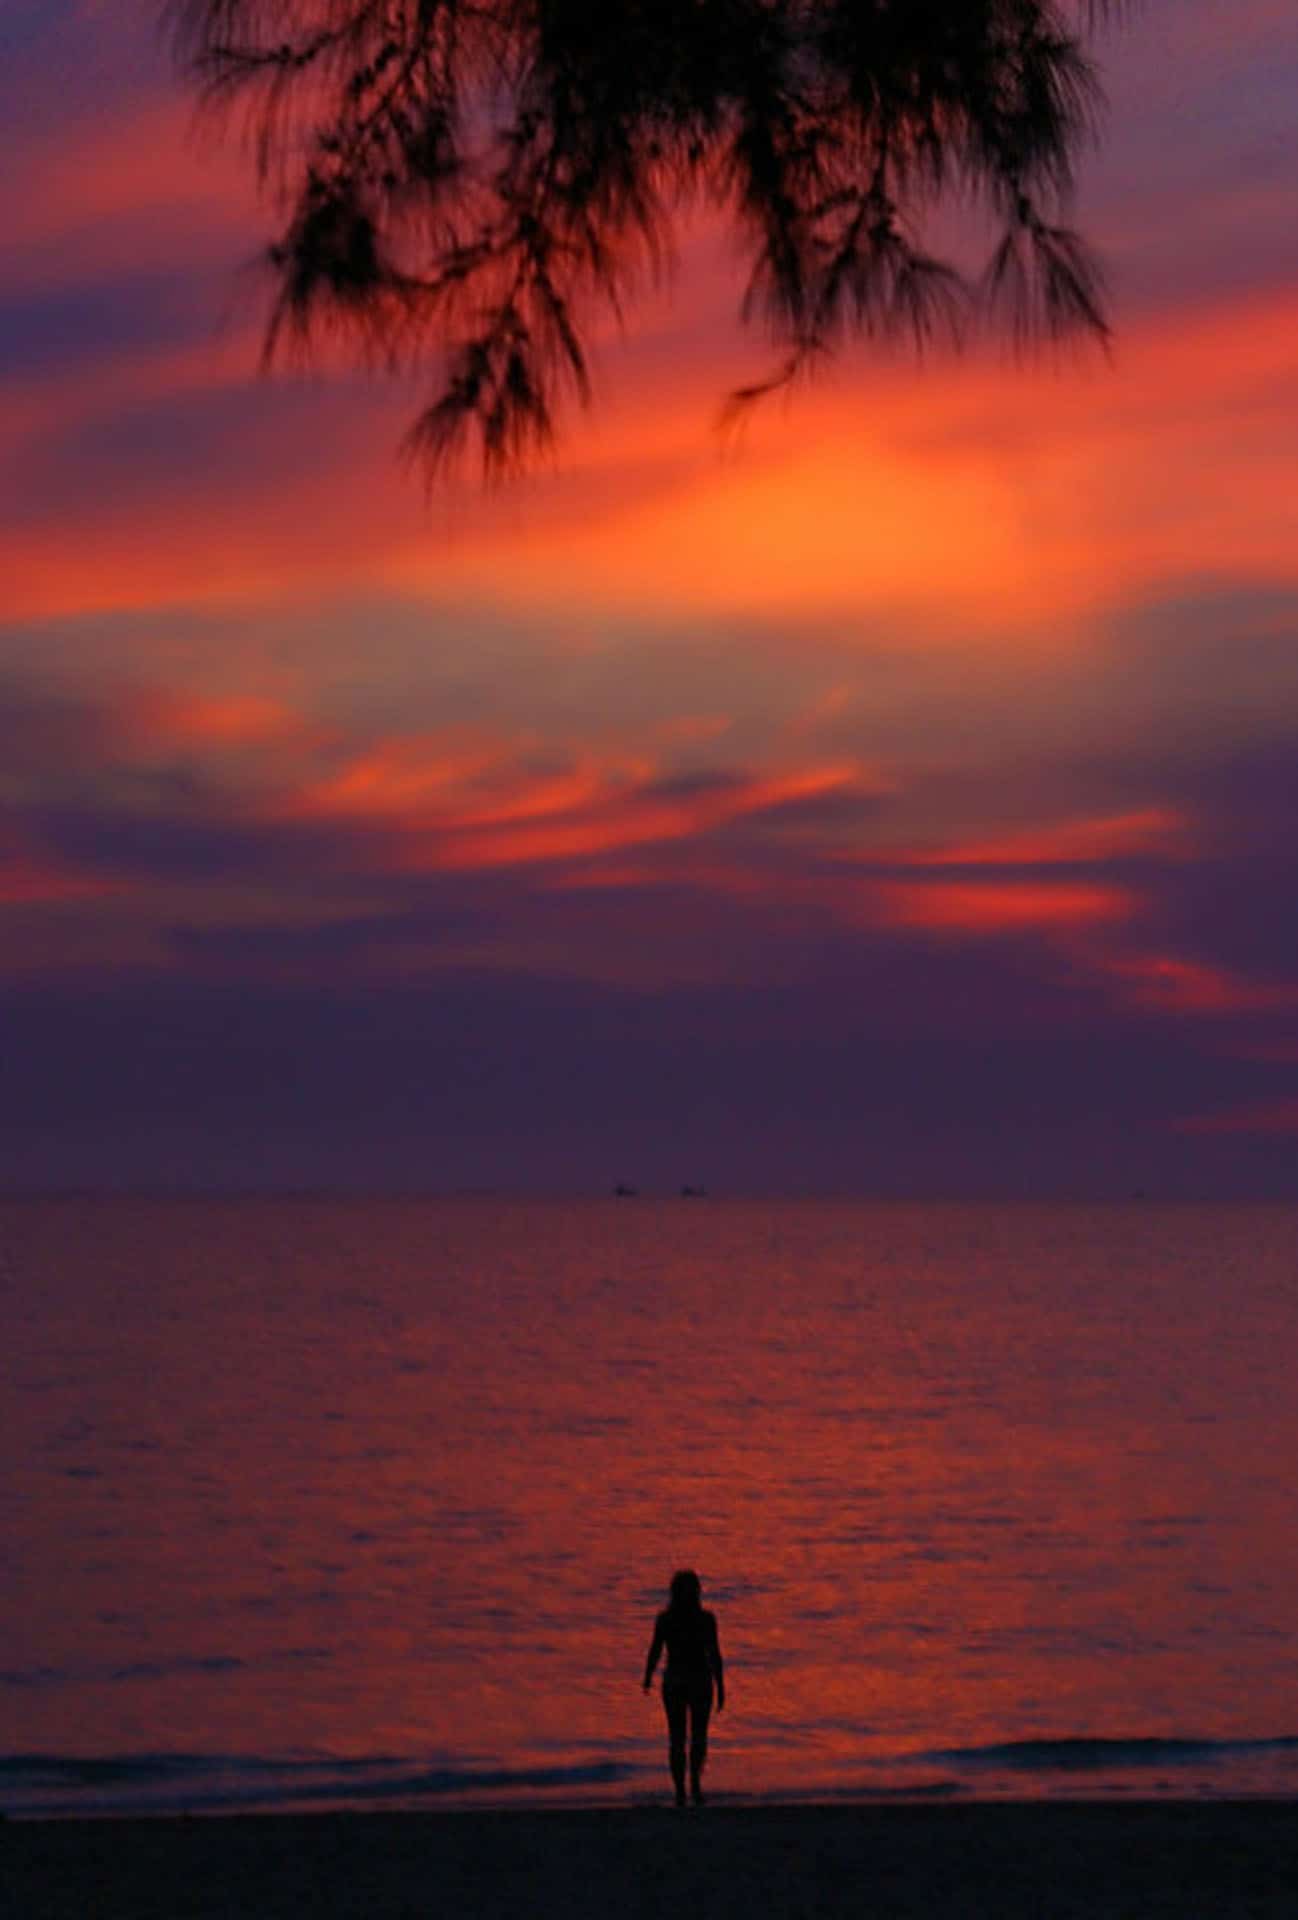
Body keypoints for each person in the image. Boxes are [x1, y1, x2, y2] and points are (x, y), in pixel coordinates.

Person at [642, 1569, 725, 1806]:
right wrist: (720, 1685)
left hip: (679, 1681)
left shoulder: (668, 1619)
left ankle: (684, 1789)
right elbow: (714, 1655)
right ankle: (691, 1787)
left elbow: (656, 1651)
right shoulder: (703, 1619)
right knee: (693, 1737)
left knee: (680, 1738)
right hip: (694, 1681)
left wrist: (648, 1676)